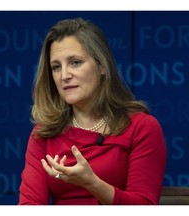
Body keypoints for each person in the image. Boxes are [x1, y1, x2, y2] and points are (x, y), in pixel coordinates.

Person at [18, 18, 167, 205]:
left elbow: (143, 207)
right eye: (56, 67)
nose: (64, 76)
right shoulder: (44, 134)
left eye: (75, 62)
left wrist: (93, 184)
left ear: (102, 66)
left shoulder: (141, 128)